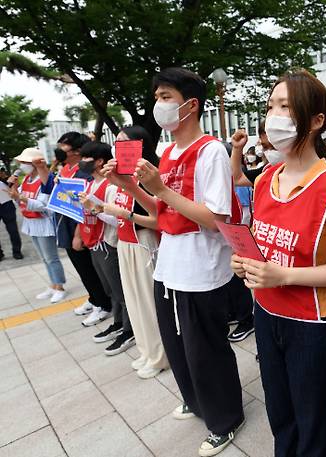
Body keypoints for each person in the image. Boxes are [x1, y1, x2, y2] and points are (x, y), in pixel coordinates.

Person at [103, 67, 244, 456]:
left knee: (206, 349)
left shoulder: (211, 151)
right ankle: (196, 401)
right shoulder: (167, 152)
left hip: (202, 267)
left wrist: (161, 187)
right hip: (169, 264)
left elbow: (215, 218)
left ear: (191, 105)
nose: (159, 104)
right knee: (178, 344)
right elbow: (162, 210)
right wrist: (129, 186)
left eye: (166, 96)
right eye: (158, 97)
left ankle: (225, 418)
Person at [231, 69, 326, 457]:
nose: (274, 115)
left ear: (317, 120)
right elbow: (263, 243)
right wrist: (247, 263)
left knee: (312, 419)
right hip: (267, 315)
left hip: (313, 326)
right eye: (271, 105)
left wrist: (285, 275)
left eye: (286, 106)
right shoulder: (265, 178)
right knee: (280, 413)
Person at [99, 126, 169, 378]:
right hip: (125, 244)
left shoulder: (149, 177)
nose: (117, 148)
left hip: (144, 243)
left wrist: (124, 214)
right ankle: (146, 351)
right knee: (134, 300)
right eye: (115, 143)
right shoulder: (117, 178)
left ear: (140, 145)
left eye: (124, 143)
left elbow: (159, 219)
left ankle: (161, 355)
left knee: (149, 302)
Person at [36, 132, 112, 323]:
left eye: (64, 146)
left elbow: (86, 206)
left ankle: (103, 304)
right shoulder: (65, 170)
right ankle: (94, 298)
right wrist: (42, 168)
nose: (60, 149)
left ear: (77, 150)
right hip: (65, 226)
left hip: (80, 228)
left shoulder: (85, 173)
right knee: (81, 268)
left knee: (89, 269)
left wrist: (79, 234)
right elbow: (48, 190)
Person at [76, 142, 134, 356]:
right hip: (95, 243)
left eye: (85, 158)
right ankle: (119, 323)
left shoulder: (110, 186)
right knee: (110, 289)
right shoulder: (90, 184)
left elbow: (116, 218)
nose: (81, 162)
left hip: (108, 243)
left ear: (99, 160)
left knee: (120, 289)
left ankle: (129, 329)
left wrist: (95, 208)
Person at [8, 148, 66, 301]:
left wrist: (21, 198)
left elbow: (43, 204)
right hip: (31, 222)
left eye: (24, 162)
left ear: (33, 163)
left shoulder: (43, 179)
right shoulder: (26, 179)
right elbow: (18, 199)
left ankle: (59, 286)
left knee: (51, 257)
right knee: (43, 257)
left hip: (43, 222)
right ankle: (53, 284)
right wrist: (14, 189)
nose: (21, 165)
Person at [0, 165, 23, 260]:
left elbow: (13, 185)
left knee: (13, 230)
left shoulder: (6, 179)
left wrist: (5, 178)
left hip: (7, 205)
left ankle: (17, 251)